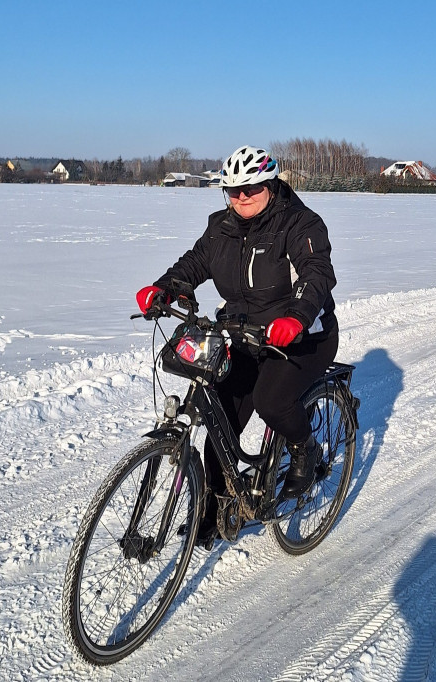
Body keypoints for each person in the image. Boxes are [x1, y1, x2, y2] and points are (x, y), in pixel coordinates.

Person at [136, 145, 338, 549]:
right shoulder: (221, 226)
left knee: (271, 400)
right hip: (247, 335)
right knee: (220, 420)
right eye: (233, 191)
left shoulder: (300, 224)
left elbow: (317, 275)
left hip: (303, 337)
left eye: (252, 188)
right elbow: (196, 262)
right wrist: (164, 288)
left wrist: (296, 318)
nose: (242, 198)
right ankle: (210, 513)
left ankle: (304, 448)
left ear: (271, 184)